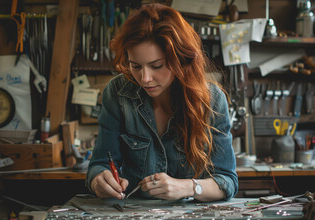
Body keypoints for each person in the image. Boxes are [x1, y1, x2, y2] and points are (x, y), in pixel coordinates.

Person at [86, 3, 238, 202]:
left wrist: (188, 187)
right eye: (136, 66)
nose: (145, 78)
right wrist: (99, 180)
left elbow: (227, 181)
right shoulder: (118, 94)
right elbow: (99, 164)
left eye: (156, 66)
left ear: (180, 60)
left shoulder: (212, 100)